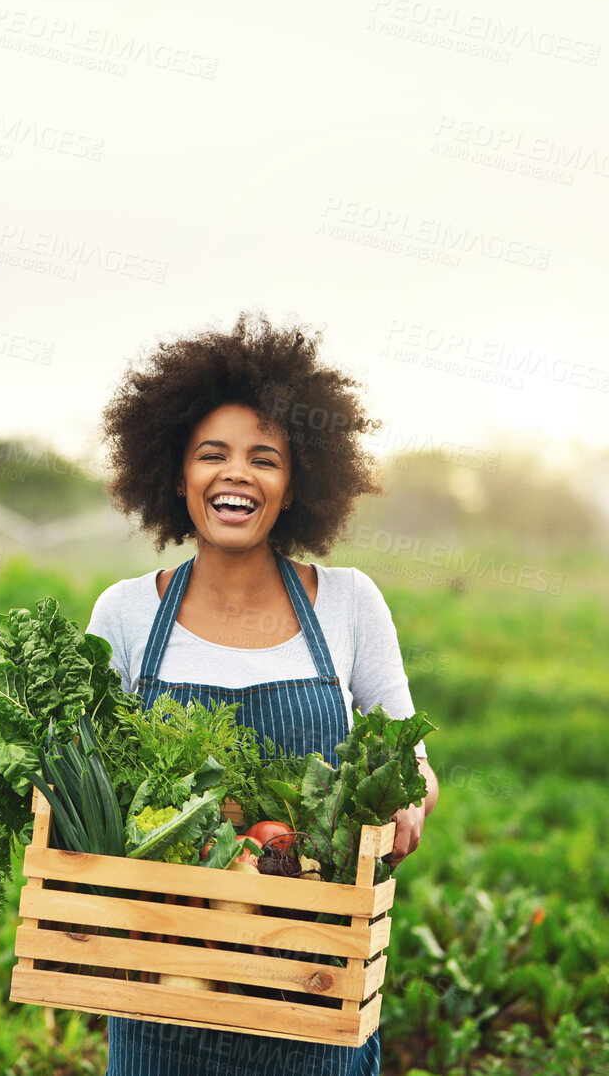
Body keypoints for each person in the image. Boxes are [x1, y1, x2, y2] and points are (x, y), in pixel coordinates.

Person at [87, 312, 439, 1076]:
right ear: (176, 476)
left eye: (264, 459)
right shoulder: (124, 613)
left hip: (312, 986)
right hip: (162, 1001)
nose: (236, 474)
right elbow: (94, 784)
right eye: (211, 455)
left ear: (298, 481)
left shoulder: (348, 602)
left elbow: (404, 743)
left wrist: (413, 793)